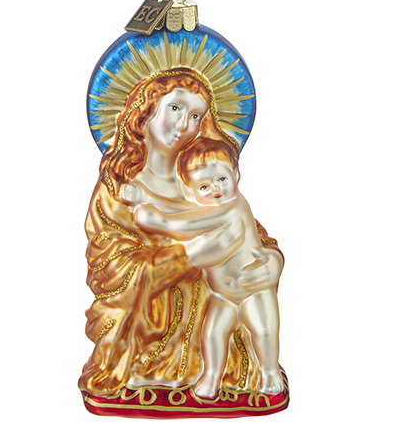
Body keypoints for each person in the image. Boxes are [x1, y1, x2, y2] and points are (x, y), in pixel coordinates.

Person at [79, 68, 283, 398]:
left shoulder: (202, 176)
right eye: (175, 108)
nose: (183, 124)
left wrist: (272, 260)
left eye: (195, 116)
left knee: (254, 322)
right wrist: (187, 258)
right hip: (151, 317)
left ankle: (236, 371)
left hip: (222, 295)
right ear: (146, 109)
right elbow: (108, 270)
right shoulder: (119, 188)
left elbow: (248, 230)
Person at [134, 138, 284, 398]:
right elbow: (188, 210)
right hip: (222, 294)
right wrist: (148, 198)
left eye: (222, 179)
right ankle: (211, 375)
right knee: (213, 333)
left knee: (264, 330)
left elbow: (185, 224)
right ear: (190, 190)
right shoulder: (204, 207)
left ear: (236, 174)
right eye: (204, 186)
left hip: (254, 289)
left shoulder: (232, 207)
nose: (216, 189)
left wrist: (157, 221)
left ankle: (269, 371)